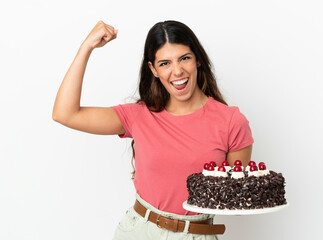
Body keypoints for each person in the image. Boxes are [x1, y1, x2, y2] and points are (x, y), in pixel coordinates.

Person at [53, 20, 254, 240]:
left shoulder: (231, 122)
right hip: (139, 230)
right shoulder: (138, 115)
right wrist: (87, 47)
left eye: (184, 58)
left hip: (195, 233)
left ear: (197, 59)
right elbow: (65, 114)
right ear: (153, 70)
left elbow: (234, 194)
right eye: (165, 63)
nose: (177, 71)